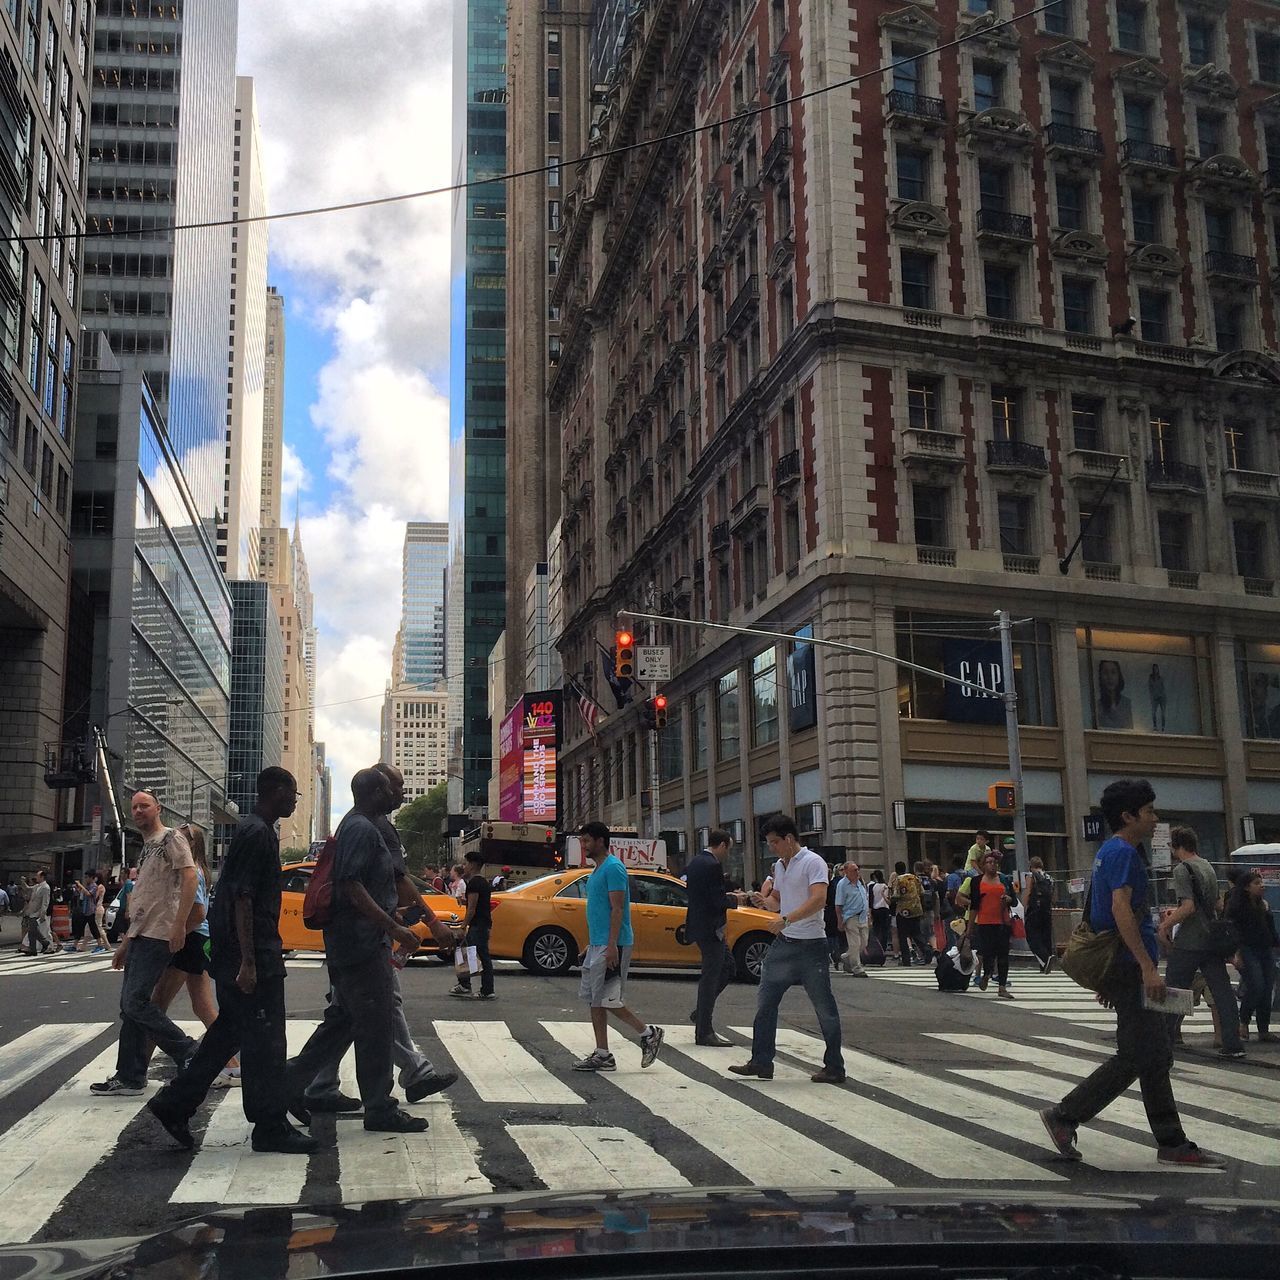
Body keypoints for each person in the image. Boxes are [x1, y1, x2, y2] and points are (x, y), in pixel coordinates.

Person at [1039, 778, 1225, 1168]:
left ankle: (1171, 1142)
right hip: (1129, 965)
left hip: (1122, 967)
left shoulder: (1111, 851)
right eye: (1149, 811)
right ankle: (1067, 1115)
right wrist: (1144, 967)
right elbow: (1121, 910)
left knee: (1153, 1055)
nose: (1155, 818)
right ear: (1129, 816)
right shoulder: (1123, 853)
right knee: (1138, 1056)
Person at [144, 768, 316, 1155]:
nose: (294, 800)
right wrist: (250, 963)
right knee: (266, 1042)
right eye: (293, 793)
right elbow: (243, 897)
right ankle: (269, 1127)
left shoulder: (256, 829)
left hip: (239, 953)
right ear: (274, 791)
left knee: (228, 1035)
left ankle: (174, 1104)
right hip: (250, 957)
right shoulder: (257, 833)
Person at [296, 764, 458, 1119]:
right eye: (391, 788)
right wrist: (396, 926)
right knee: (374, 1019)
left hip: (362, 938)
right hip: (361, 942)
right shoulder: (366, 828)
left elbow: (374, 884)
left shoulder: (365, 826)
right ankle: (379, 1102)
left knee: (349, 1019)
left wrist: (393, 916)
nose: (397, 794)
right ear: (373, 793)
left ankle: (303, 1085)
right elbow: (351, 885)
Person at [91, 791, 200, 1097]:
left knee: (135, 1002)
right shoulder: (147, 847)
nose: (138, 811)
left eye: (144, 806)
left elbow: (189, 878)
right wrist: (126, 941)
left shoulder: (171, 839)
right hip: (142, 934)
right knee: (131, 1009)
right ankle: (130, 1076)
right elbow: (144, 899)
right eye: (134, 807)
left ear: (158, 808)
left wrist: (179, 925)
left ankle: (188, 1050)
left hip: (160, 933)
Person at [730, 813, 845, 1084]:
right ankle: (761, 1060)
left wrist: (786, 919)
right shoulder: (780, 866)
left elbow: (819, 899)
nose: (771, 847)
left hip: (811, 945)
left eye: (774, 842)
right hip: (785, 941)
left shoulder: (813, 862)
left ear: (789, 839)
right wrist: (763, 901)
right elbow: (778, 900)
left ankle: (834, 1066)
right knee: (766, 1002)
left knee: (823, 1006)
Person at [147, 825, 238, 1086]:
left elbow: (198, 913)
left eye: (180, 837)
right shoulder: (194, 870)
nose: (174, 839)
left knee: (157, 1004)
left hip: (191, 940)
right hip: (197, 940)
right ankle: (232, 1066)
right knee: (202, 1006)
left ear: (190, 844)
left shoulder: (192, 873)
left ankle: (136, 1070)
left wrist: (175, 934)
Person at [571, 821, 665, 1072]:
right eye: (582, 841)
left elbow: (617, 908)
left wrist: (611, 945)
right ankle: (603, 1054)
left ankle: (647, 1033)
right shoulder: (598, 870)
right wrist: (591, 946)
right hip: (598, 944)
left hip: (614, 943)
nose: (584, 846)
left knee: (609, 999)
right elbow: (599, 911)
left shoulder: (613, 868)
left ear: (600, 841)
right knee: (595, 1000)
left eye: (587, 841)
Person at [1157, 826, 1244, 1060]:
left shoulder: (1182, 869)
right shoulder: (1207, 866)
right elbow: (1215, 903)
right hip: (1212, 940)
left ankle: (1164, 1039)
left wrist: (1166, 925)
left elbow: (1189, 907)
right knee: (1222, 990)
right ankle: (1233, 1043)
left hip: (1190, 940)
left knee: (1174, 988)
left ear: (1176, 846)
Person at [684, 829, 742, 1045]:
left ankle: (701, 1014)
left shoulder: (697, 862)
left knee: (728, 968)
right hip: (711, 928)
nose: (728, 854)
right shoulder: (712, 865)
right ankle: (704, 1030)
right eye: (729, 849)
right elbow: (716, 900)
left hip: (701, 926)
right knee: (711, 977)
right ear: (723, 845)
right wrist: (737, 900)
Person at [1225, 871, 1277, 1043]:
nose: (1262, 885)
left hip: (1265, 949)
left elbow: (1270, 931)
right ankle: (1243, 1021)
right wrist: (1235, 954)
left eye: (1261, 882)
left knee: (1267, 987)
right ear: (1247, 887)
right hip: (1247, 949)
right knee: (1256, 985)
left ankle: (1264, 1029)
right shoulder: (1237, 907)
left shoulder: (1264, 905)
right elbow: (1232, 932)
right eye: (1256, 883)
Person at [957, 850, 1017, 998]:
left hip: (1002, 922)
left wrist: (1008, 899)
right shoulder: (977, 881)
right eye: (989, 863)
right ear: (984, 865)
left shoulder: (1004, 879)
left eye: (995, 863)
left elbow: (1014, 900)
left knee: (1003, 954)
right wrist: (969, 928)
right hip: (984, 923)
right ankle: (987, 974)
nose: (992, 865)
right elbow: (974, 906)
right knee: (987, 953)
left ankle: (1002, 987)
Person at [449, 848, 495, 999]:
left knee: (477, 955)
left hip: (478, 925)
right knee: (469, 953)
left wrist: (463, 926)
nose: (464, 866)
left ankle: (485, 990)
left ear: (474, 864)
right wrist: (465, 901)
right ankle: (465, 984)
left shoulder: (474, 883)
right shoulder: (483, 882)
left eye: (466, 863)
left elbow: (472, 909)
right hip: (483, 923)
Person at [890, 861, 931, 967]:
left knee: (903, 935)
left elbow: (896, 896)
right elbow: (922, 893)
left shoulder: (898, 880)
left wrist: (890, 898)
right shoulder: (914, 878)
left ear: (896, 870)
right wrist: (922, 908)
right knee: (916, 933)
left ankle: (906, 960)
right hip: (916, 909)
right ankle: (926, 950)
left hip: (903, 910)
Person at [1022, 855, 1056, 974]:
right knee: (1045, 935)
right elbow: (1052, 895)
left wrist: (1024, 908)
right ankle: (1046, 962)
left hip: (1034, 910)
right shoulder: (1049, 878)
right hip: (1046, 910)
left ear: (1031, 866)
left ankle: (1044, 958)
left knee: (1031, 935)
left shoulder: (1031, 876)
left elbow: (1027, 893)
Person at [834, 862, 869, 976]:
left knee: (863, 943)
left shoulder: (860, 882)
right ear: (846, 871)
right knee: (855, 944)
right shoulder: (842, 884)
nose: (857, 872)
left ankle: (846, 957)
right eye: (854, 870)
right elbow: (838, 904)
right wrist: (840, 920)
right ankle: (857, 968)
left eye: (857, 869)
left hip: (863, 916)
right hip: (850, 917)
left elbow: (865, 898)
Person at [20, 869, 56, 955]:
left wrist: (42, 914)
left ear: (42, 877)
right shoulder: (37, 886)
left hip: (38, 912)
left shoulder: (46, 887)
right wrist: (22, 882)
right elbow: (28, 888)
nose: (36, 877)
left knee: (33, 930)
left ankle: (37, 947)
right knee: (33, 931)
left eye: (37, 876)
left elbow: (45, 902)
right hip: (32, 911)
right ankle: (41, 945)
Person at [1096, 659, 1133, 730]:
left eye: (1113, 672)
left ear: (1119, 676)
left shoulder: (1127, 703)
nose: (1109, 677)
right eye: (1105, 673)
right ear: (1100, 677)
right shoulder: (1097, 706)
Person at [108, 866, 137, 944]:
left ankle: (126, 944)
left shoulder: (128, 883)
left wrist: (127, 910)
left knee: (120, 927)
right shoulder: (126, 883)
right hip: (121, 907)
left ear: (126, 874)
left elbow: (129, 896)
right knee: (122, 928)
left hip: (124, 908)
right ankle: (126, 943)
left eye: (122, 873)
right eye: (121, 873)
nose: (121, 874)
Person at [868, 869, 892, 955]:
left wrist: (870, 912)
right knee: (884, 929)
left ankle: (876, 947)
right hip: (884, 909)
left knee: (876, 929)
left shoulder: (872, 887)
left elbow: (871, 900)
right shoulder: (885, 886)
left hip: (875, 909)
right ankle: (883, 946)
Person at [1148, 663, 1167, 732]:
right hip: (1155, 698)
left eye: (1157, 668)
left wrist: (1161, 694)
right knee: (1153, 712)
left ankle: (1163, 727)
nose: (1155, 670)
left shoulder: (1161, 678)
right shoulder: (1151, 678)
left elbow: (1163, 688)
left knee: (1163, 713)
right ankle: (1155, 726)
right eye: (1154, 669)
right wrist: (1152, 697)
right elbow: (1150, 688)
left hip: (1162, 697)